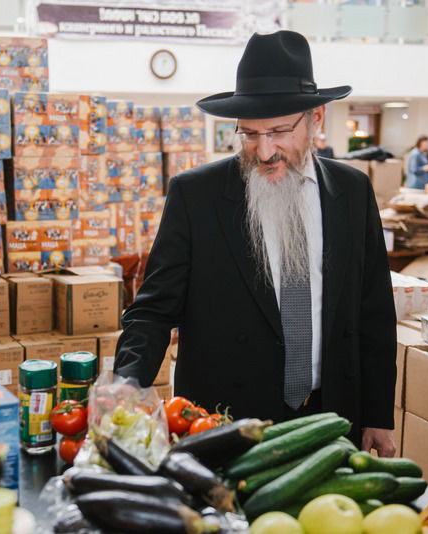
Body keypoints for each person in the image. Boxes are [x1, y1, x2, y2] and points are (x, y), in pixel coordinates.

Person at [114, 31, 397, 455]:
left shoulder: (353, 191)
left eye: (280, 131)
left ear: (317, 118)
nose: (264, 151)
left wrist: (377, 414)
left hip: (331, 416)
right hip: (226, 420)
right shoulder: (197, 195)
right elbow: (153, 311)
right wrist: (124, 388)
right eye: (249, 134)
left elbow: (373, 309)